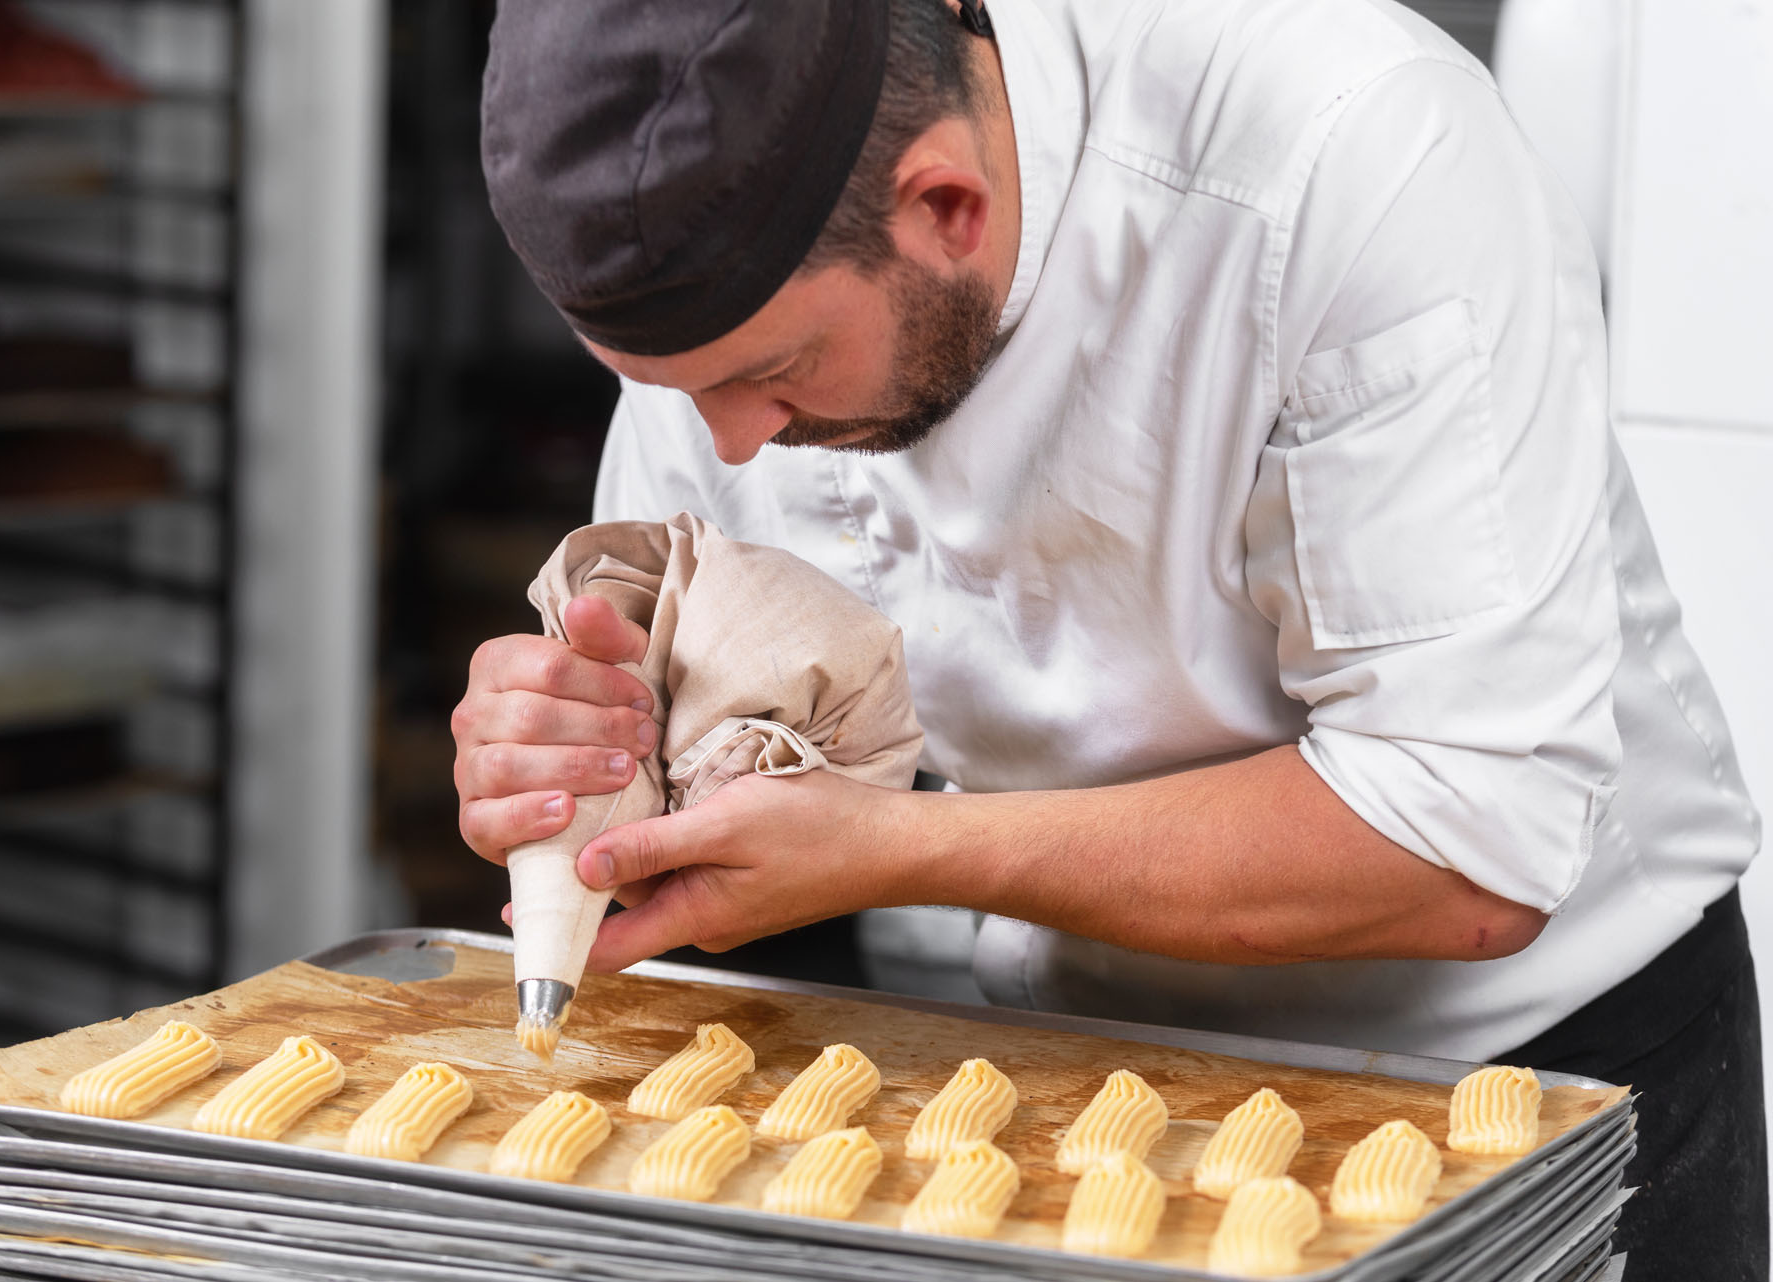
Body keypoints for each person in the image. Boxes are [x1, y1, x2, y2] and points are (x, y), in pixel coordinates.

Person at [454, 0, 1765, 1272]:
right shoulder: (742, 296)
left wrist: (898, 852)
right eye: (672, 391)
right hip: (1072, 1083)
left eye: (773, 379)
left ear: (946, 207)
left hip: (1528, 1073)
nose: (727, 441)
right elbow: (711, 683)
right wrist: (583, 766)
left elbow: (1468, 844)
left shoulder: (1351, 153)